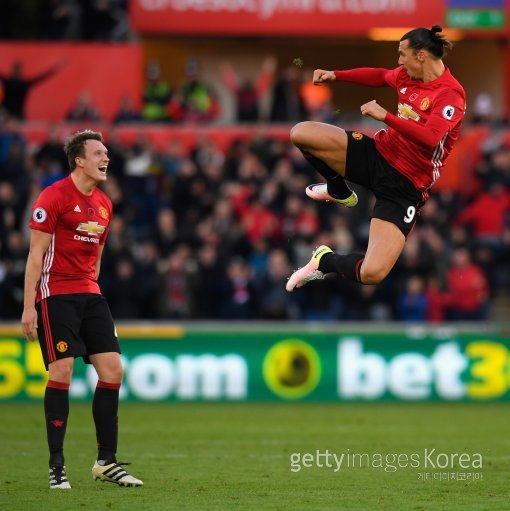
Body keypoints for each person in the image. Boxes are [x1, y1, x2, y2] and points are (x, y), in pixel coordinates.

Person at [286, 26, 466, 293]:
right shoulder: (407, 75)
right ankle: (338, 189)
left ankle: (324, 262)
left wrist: (386, 117)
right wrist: (336, 75)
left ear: (421, 56)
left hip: (406, 185)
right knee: (300, 133)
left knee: (372, 273)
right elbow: (380, 76)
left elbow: (429, 138)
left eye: (402, 54)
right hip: (379, 154)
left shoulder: (450, 95)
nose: (399, 61)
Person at [20, 130, 142, 489]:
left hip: (90, 293)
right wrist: (29, 307)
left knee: (113, 369)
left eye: (106, 153)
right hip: (55, 293)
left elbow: (97, 259)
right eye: (99, 153)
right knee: (62, 372)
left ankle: (106, 462)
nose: (106, 158)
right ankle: (57, 466)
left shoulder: (105, 203)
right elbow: (35, 255)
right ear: (79, 160)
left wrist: (93, 292)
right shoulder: (54, 196)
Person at [0, 59, 65, 119]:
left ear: (12, 70)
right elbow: (41, 77)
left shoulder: (8, 82)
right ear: (21, 71)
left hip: (7, 114)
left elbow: (41, 77)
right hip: (17, 115)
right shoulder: (23, 84)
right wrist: (55, 68)